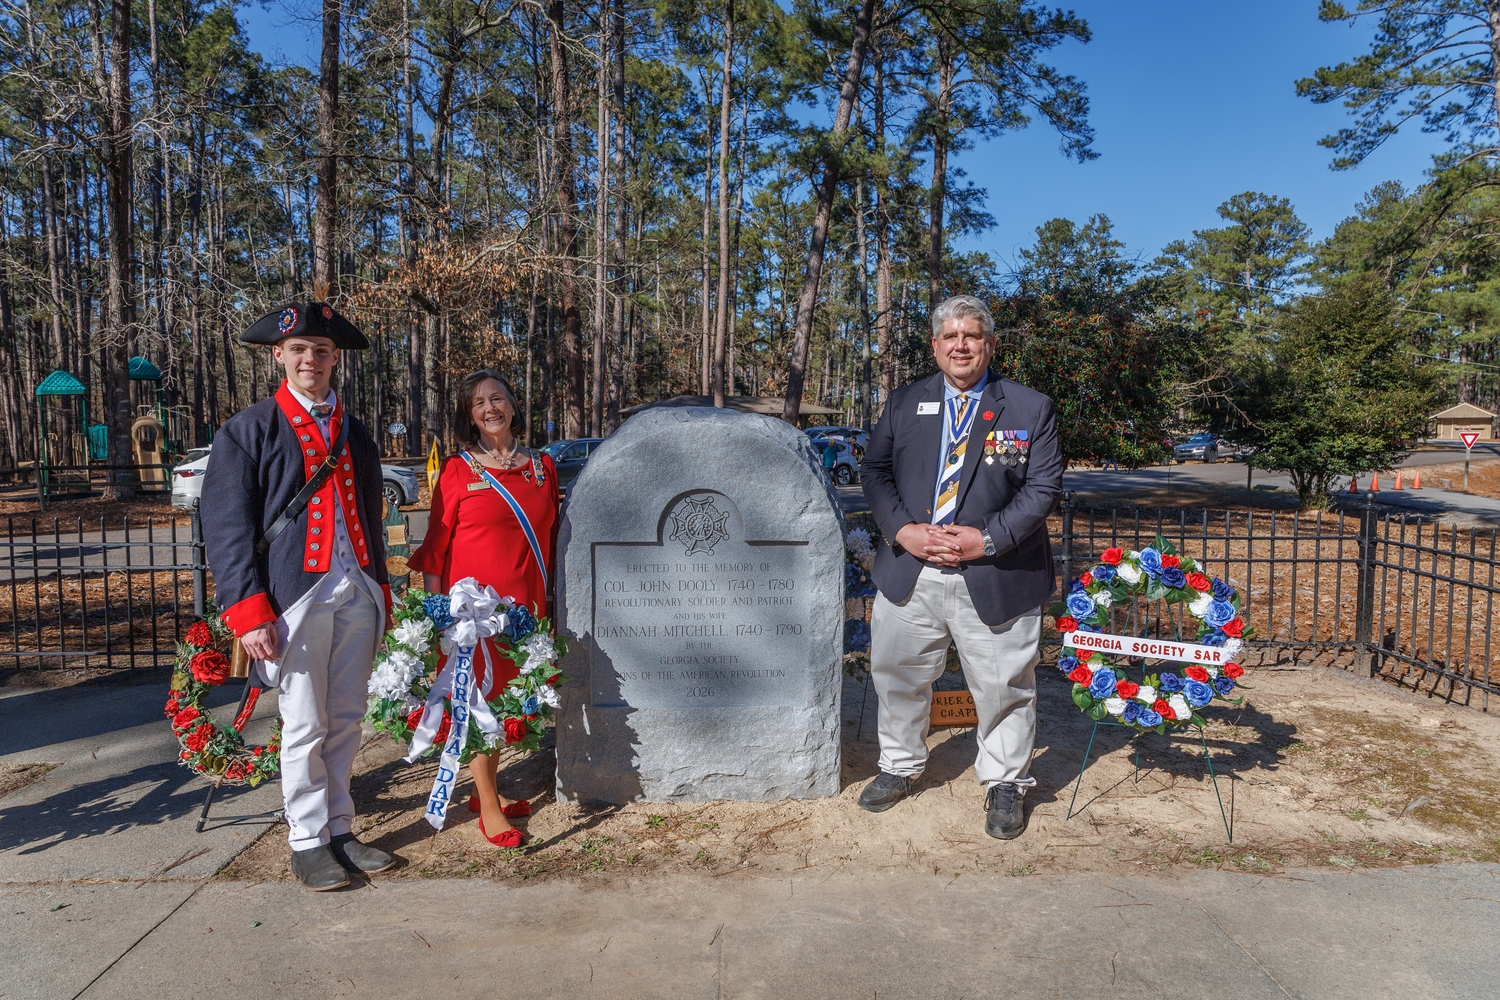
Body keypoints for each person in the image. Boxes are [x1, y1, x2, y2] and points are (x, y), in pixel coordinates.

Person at [202, 301, 395, 891]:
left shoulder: (355, 431)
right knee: (305, 722)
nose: (311, 358)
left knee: (347, 718)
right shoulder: (248, 429)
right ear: (279, 356)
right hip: (294, 596)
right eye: (300, 349)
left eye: (322, 350)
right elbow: (227, 527)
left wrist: (382, 589)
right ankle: (307, 839)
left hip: (356, 587)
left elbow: (371, 514)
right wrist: (248, 610)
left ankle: (340, 827)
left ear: (335, 358)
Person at [858, 294, 1063, 839]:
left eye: (971, 335)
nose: (961, 345)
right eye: (950, 336)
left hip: (997, 573)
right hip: (912, 570)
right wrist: (903, 530)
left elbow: (1043, 488)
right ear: (935, 346)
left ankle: (1005, 782)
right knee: (898, 676)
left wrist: (986, 540)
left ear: (990, 344)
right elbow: (874, 471)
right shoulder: (905, 402)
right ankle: (899, 765)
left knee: (1003, 687)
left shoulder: (1029, 407)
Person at [407, 370, 560, 849]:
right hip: (470, 612)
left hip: (525, 607)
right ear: (469, 416)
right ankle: (489, 805)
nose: (490, 408)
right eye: (478, 403)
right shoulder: (458, 469)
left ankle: (482, 790)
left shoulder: (542, 467)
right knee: (476, 702)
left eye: (498, 398)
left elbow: (554, 538)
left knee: (509, 699)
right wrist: (436, 612)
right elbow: (436, 547)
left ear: (513, 405)